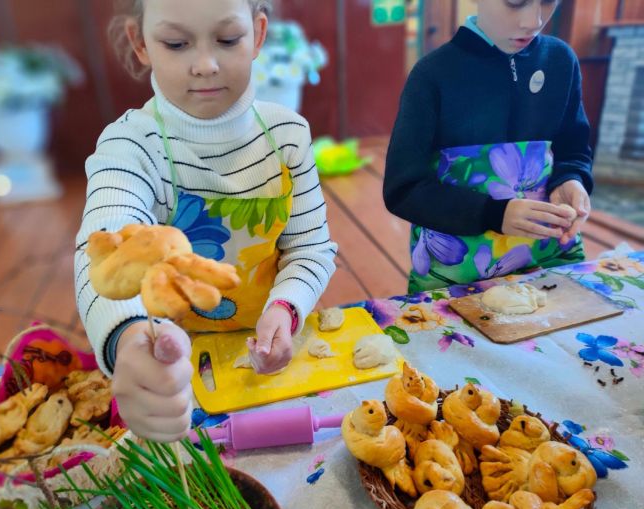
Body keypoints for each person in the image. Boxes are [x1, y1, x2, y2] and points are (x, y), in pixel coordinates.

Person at [74, 0, 337, 441]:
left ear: (257, 34)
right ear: (141, 43)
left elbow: (311, 248)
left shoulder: (289, 135)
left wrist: (286, 307)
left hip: (269, 356)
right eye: (176, 43)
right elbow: (103, 254)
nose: (206, 65)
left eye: (227, 39)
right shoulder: (132, 146)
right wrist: (127, 339)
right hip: (174, 370)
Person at [383, 0, 592, 293]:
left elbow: (574, 147)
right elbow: (403, 188)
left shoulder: (561, 61)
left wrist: (571, 178)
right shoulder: (432, 75)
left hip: (550, 262)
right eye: (515, 2)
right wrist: (494, 214)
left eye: (548, 1)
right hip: (455, 279)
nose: (534, 21)